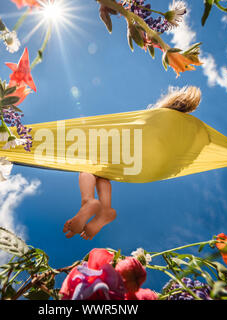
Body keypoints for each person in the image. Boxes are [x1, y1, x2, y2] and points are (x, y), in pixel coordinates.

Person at [63, 86, 202, 240]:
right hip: (146, 166)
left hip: (132, 151)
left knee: (87, 167)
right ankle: (105, 210)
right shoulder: (182, 130)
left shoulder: (157, 115)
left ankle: (88, 200)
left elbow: (134, 129)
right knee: (103, 175)